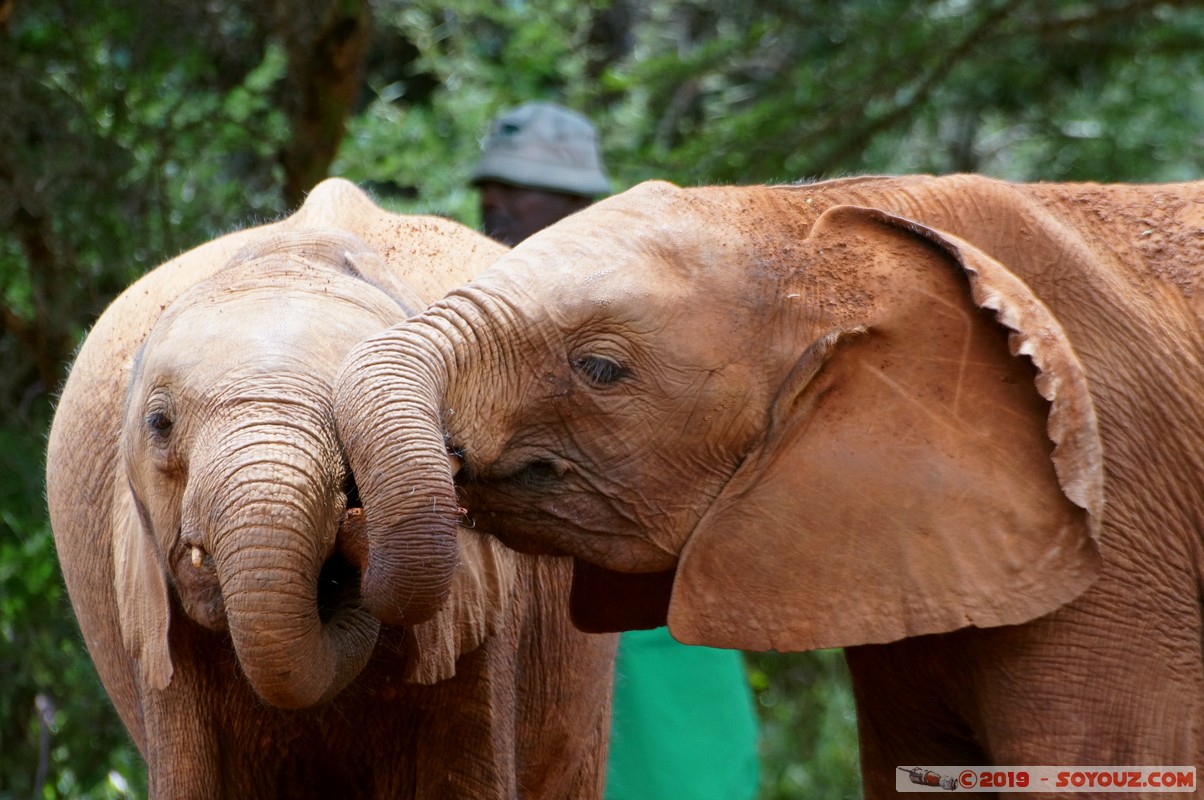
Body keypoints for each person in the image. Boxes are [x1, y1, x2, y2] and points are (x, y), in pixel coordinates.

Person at [470, 101, 762, 800]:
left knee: (687, 778)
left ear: (576, 205)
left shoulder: (653, 312)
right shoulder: (465, 308)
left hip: (656, 621)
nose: (494, 201)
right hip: (515, 619)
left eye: (518, 186)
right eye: (491, 185)